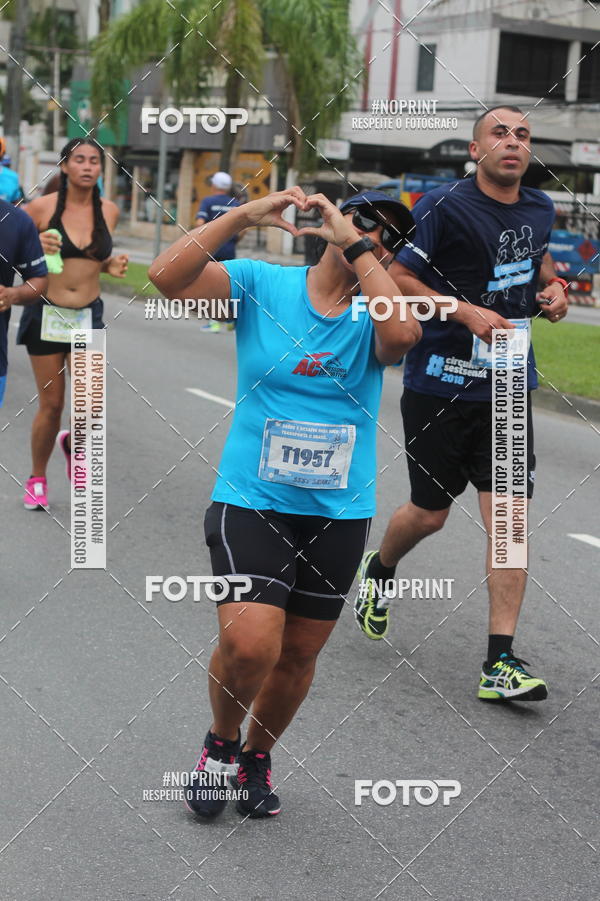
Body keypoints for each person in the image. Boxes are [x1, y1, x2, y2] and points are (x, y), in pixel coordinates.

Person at [149, 187, 421, 818]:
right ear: (325, 222)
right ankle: (220, 743)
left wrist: (356, 248)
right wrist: (242, 215)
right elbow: (165, 277)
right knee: (251, 645)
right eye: (362, 220)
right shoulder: (261, 285)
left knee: (298, 653)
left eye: (386, 235)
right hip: (253, 497)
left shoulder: (378, 310)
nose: (373, 235)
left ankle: (256, 757)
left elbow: (402, 337)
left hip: (338, 511)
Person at [354, 106, 569, 703]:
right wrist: (460, 309)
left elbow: (539, 263)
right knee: (429, 513)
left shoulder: (541, 208)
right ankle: (380, 569)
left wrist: (554, 291)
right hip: (440, 382)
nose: (513, 142)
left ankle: (499, 662)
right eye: (499, 133)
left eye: (522, 135)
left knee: (509, 524)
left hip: (505, 382)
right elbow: (397, 277)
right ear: (475, 150)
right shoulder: (442, 206)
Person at [18, 138, 128, 510]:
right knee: (51, 405)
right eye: (79, 159)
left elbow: (96, 258)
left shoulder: (109, 211)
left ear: (100, 169)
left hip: (87, 316)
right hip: (46, 314)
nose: (87, 166)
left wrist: (111, 265)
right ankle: (36, 479)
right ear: (64, 166)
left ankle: (72, 445)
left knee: (90, 406)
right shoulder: (40, 208)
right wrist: (35, 246)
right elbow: (15, 253)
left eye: (94, 161)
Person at [0, 173, 48, 409]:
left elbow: (38, 279)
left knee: (85, 406)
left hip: (89, 316)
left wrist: (13, 294)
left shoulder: (15, 221)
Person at [195, 172, 241, 333]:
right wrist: (234, 240)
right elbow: (243, 229)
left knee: (211, 285)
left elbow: (200, 223)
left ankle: (214, 322)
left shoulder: (208, 202)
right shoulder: (235, 203)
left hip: (211, 249)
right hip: (229, 249)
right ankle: (231, 322)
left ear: (213, 185)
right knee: (230, 285)